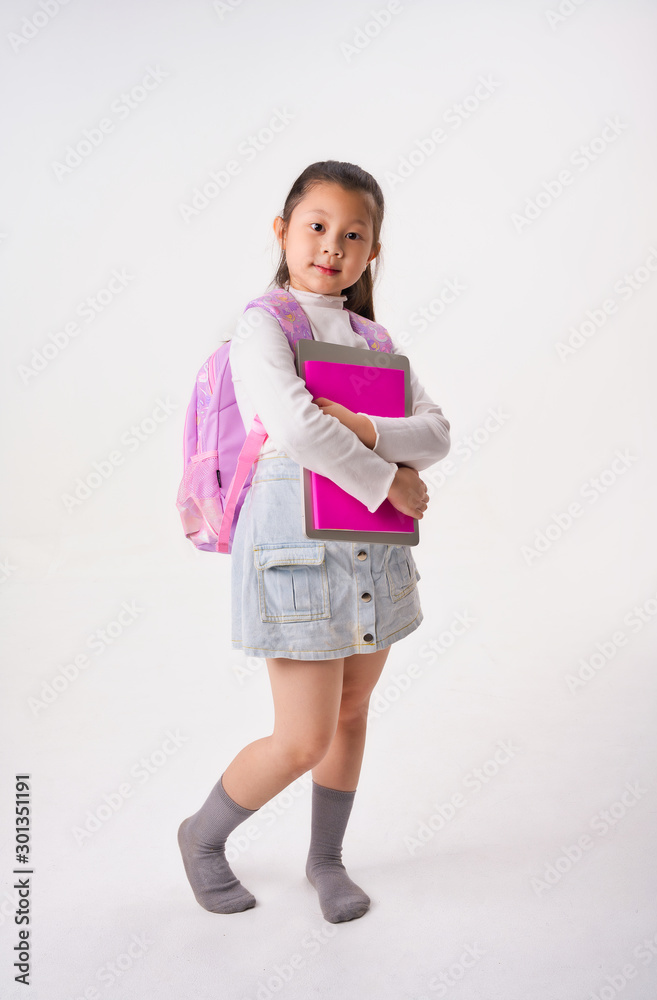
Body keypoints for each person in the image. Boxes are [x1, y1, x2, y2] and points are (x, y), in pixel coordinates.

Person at [178, 159, 451, 923]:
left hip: (371, 548)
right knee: (302, 737)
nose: (331, 245)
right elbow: (296, 427)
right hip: (296, 549)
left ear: (371, 254)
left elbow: (436, 431)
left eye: (353, 234)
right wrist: (388, 478)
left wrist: (368, 427)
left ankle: (325, 859)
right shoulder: (262, 323)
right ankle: (201, 838)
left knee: (353, 712)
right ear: (284, 231)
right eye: (317, 226)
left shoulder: (374, 336)